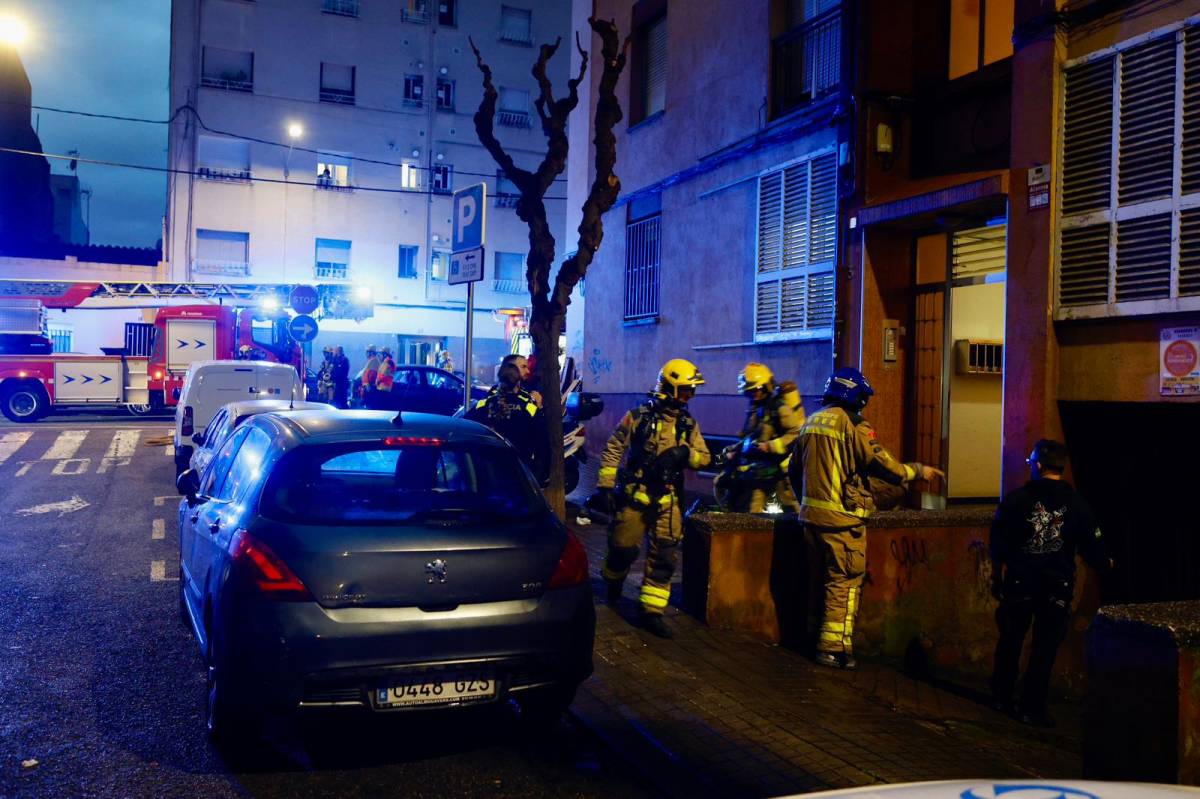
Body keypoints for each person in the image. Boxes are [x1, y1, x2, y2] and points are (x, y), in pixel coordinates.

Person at [788, 367, 943, 670]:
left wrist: (805, 503)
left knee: (816, 580)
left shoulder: (810, 422)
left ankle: (810, 636)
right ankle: (833, 649)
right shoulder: (853, 425)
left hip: (810, 518)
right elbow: (883, 464)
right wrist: (916, 471)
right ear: (854, 396)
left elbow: (794, 471)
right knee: (842, 584)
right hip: (842, 522)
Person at [990, 439, 1110, 727]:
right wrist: (1104, 562)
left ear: (1039, 465)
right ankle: (1032, 707)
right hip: (1057, 586)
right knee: (1044, 648)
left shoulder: (1016, 500)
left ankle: (1001, 697)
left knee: (1011, 641)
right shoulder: (1078, 505)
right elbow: (1092, 546)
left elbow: (999, 544)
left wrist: (997, 576)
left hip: (1020, 582)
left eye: (1031, 463)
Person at [589, 358, 711, 639]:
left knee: (665, 556)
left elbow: (703, 456)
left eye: (692, 390)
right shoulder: (637, 417)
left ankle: (651, 612)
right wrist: (605, 487)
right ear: (668, 388)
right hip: (635, 498)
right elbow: (613, 448)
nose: (690, 396)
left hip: (668, 502)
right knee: (621, 548)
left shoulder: (687, 424)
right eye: (685, 390)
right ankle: (613, 582)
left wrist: (684, 455)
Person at [718, 363, 803, 513]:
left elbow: (796, 432)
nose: (753, 395)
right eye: (750, 392)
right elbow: (752, 435)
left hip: (781, 473)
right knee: (754, 513)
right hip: (762, 471)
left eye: (755, 390)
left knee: (792, 511)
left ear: (765, 387)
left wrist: (770, 446)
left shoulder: (778, 407)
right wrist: (735, 450)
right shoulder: (758, 408)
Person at [465, 362, 550, 484]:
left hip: (488, 472)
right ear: (518, 382)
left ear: (499, 380)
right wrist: (543, 472)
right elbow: (543, 442)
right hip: (518, 473)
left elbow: (465, 429)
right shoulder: (528, 408)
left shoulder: (483, 405)